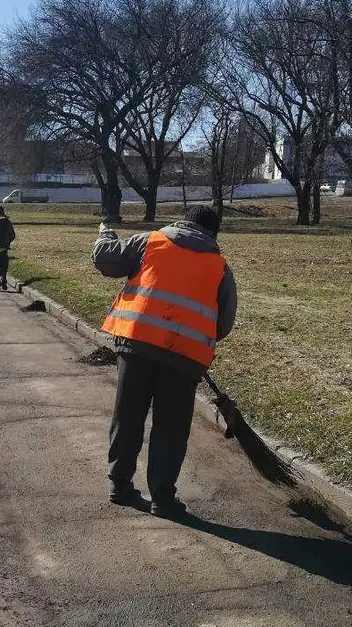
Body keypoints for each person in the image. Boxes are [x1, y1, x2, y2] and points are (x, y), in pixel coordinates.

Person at [91, 205, 237, 517]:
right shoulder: (220, 267)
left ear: (181, 222)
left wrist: (105, 233)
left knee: (128, 415)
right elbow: (223, 325)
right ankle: (163, 497)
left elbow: (105, 259)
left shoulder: (150, 241)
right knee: (171, 428)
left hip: (137, 345)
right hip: (184, 358)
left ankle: (119, 484)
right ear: (213, 233)